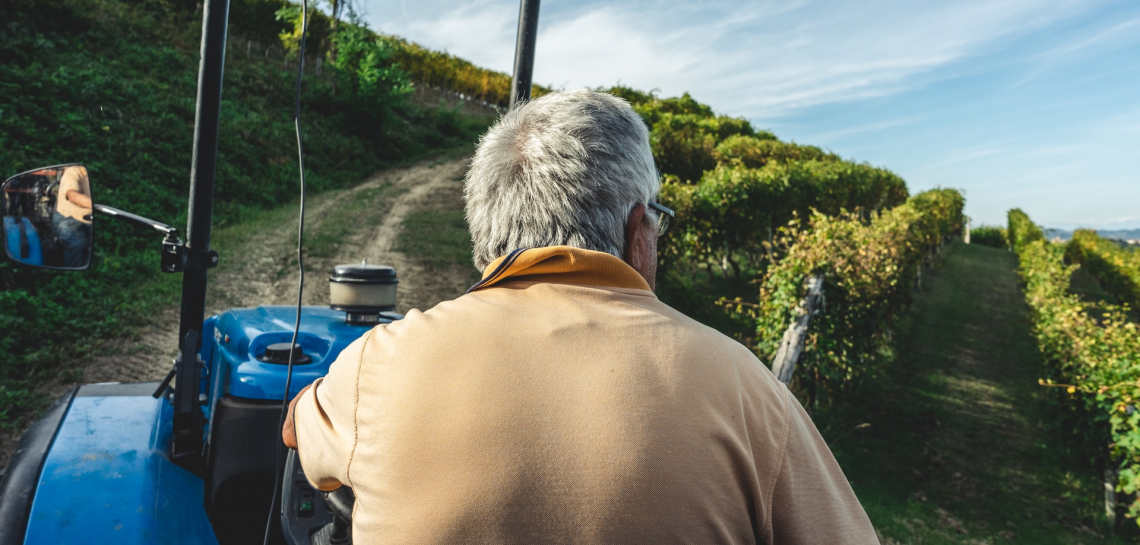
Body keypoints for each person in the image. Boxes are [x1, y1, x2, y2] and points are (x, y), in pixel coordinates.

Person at [283, 90, 877, 543]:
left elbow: (295, 430)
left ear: (485, 231)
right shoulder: (749, 391)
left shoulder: (375, 365)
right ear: (636, 227)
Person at [51, 165, 92, 267]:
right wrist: (96, 206)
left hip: (89, 219)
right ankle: (73, 273)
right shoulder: (74, 171)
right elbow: (72, 195)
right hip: (69, 218)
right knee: (78, 244)